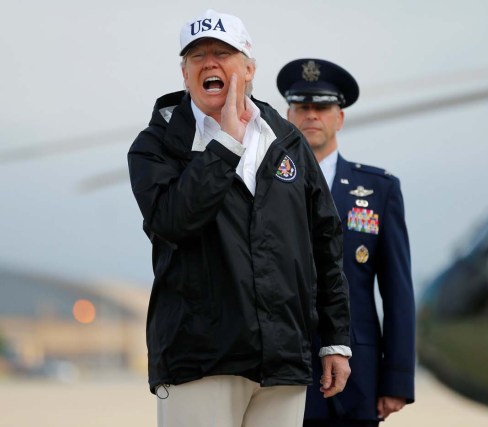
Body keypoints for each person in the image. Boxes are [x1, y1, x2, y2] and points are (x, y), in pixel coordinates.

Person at [127, 10, 352, 427]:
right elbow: (172, 221)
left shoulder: (286, 140)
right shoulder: (156, 145)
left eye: (222, 53)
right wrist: (226, 143)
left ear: (248, 69)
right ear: (184, 73)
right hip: (200, 360)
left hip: (282, 360)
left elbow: (326, 240)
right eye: (198, 56)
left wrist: (335, 340)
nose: (209, 62)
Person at [277, 58, 415, 427]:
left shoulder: (378, 191)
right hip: (281, 371)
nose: (311, 116)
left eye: (321, 107)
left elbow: (397, 289)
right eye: (302, 107)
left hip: (357, 374)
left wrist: (397, 378)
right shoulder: (265, 185)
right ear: (287, 115)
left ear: (339, 117)